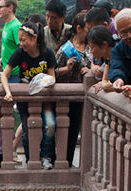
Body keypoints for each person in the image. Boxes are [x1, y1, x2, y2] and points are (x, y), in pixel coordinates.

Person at [1, 21, 58, 170]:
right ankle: (30, 157)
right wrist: (8, 92)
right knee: (27, 129)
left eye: (23, 40)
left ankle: (46, 156)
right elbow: (4, 75)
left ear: (34, 38)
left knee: (50, 125)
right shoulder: (20, 54)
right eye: (19, 40)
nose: (21, 44)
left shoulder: (48, 53)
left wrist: (42, 82)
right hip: (25, 100)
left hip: (44, 99)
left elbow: (52, 78)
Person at [56, 11, 91, 166]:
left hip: (88, 96)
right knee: (68, 131)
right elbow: (53, 72)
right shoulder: (66, 49)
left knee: (84, 131)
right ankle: (65, 161)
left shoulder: (91, 46)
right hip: (68, 96)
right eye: (88, 28)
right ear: (79, 28)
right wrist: (67, 68)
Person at [88, 24, 116, 92]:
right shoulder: (107, 58)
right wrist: (104, 84)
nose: (91, 51)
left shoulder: (118, 54)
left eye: (92, 47)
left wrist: (106, 85)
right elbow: (104, 80)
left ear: (104, 45)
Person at [0, 0, 21, 77]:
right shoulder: (7, 24)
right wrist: (0, 62)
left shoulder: (16, 26)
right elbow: (9, 47)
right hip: (7, 72)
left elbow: (23, 49)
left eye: (1, 7)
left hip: (15, 73)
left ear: (10, 8)